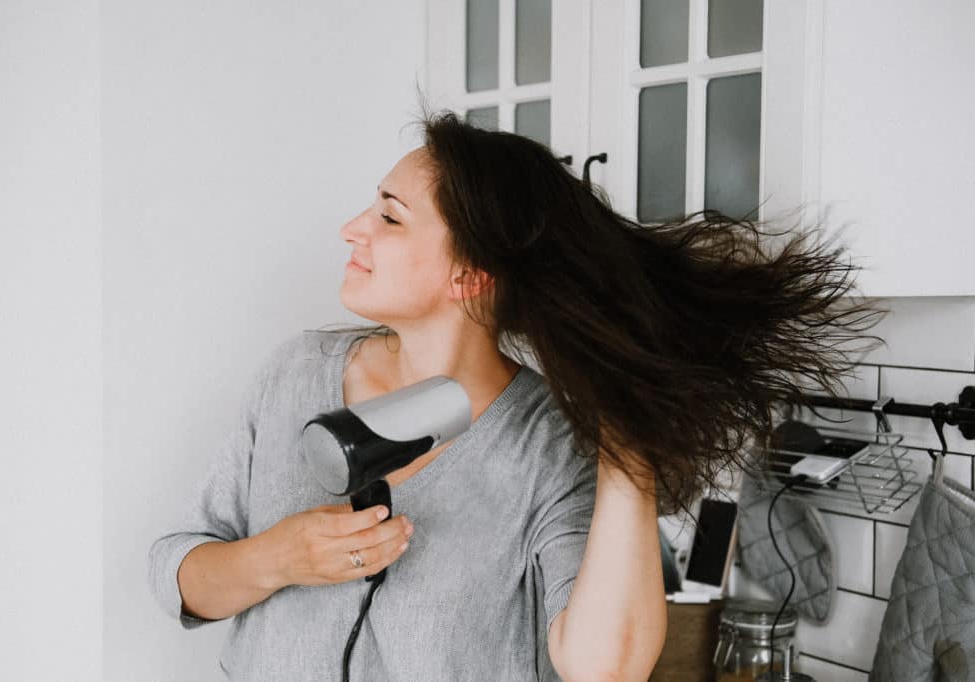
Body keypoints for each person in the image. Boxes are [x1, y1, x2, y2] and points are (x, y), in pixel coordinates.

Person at [147, 108, 888, 681]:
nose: (352, 228)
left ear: (471, 275)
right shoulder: (295, 373)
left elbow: (605, 667)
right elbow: (181, 574)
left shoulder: (549, 439)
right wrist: (279, 557)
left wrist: (628, 447)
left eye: (389, 215)